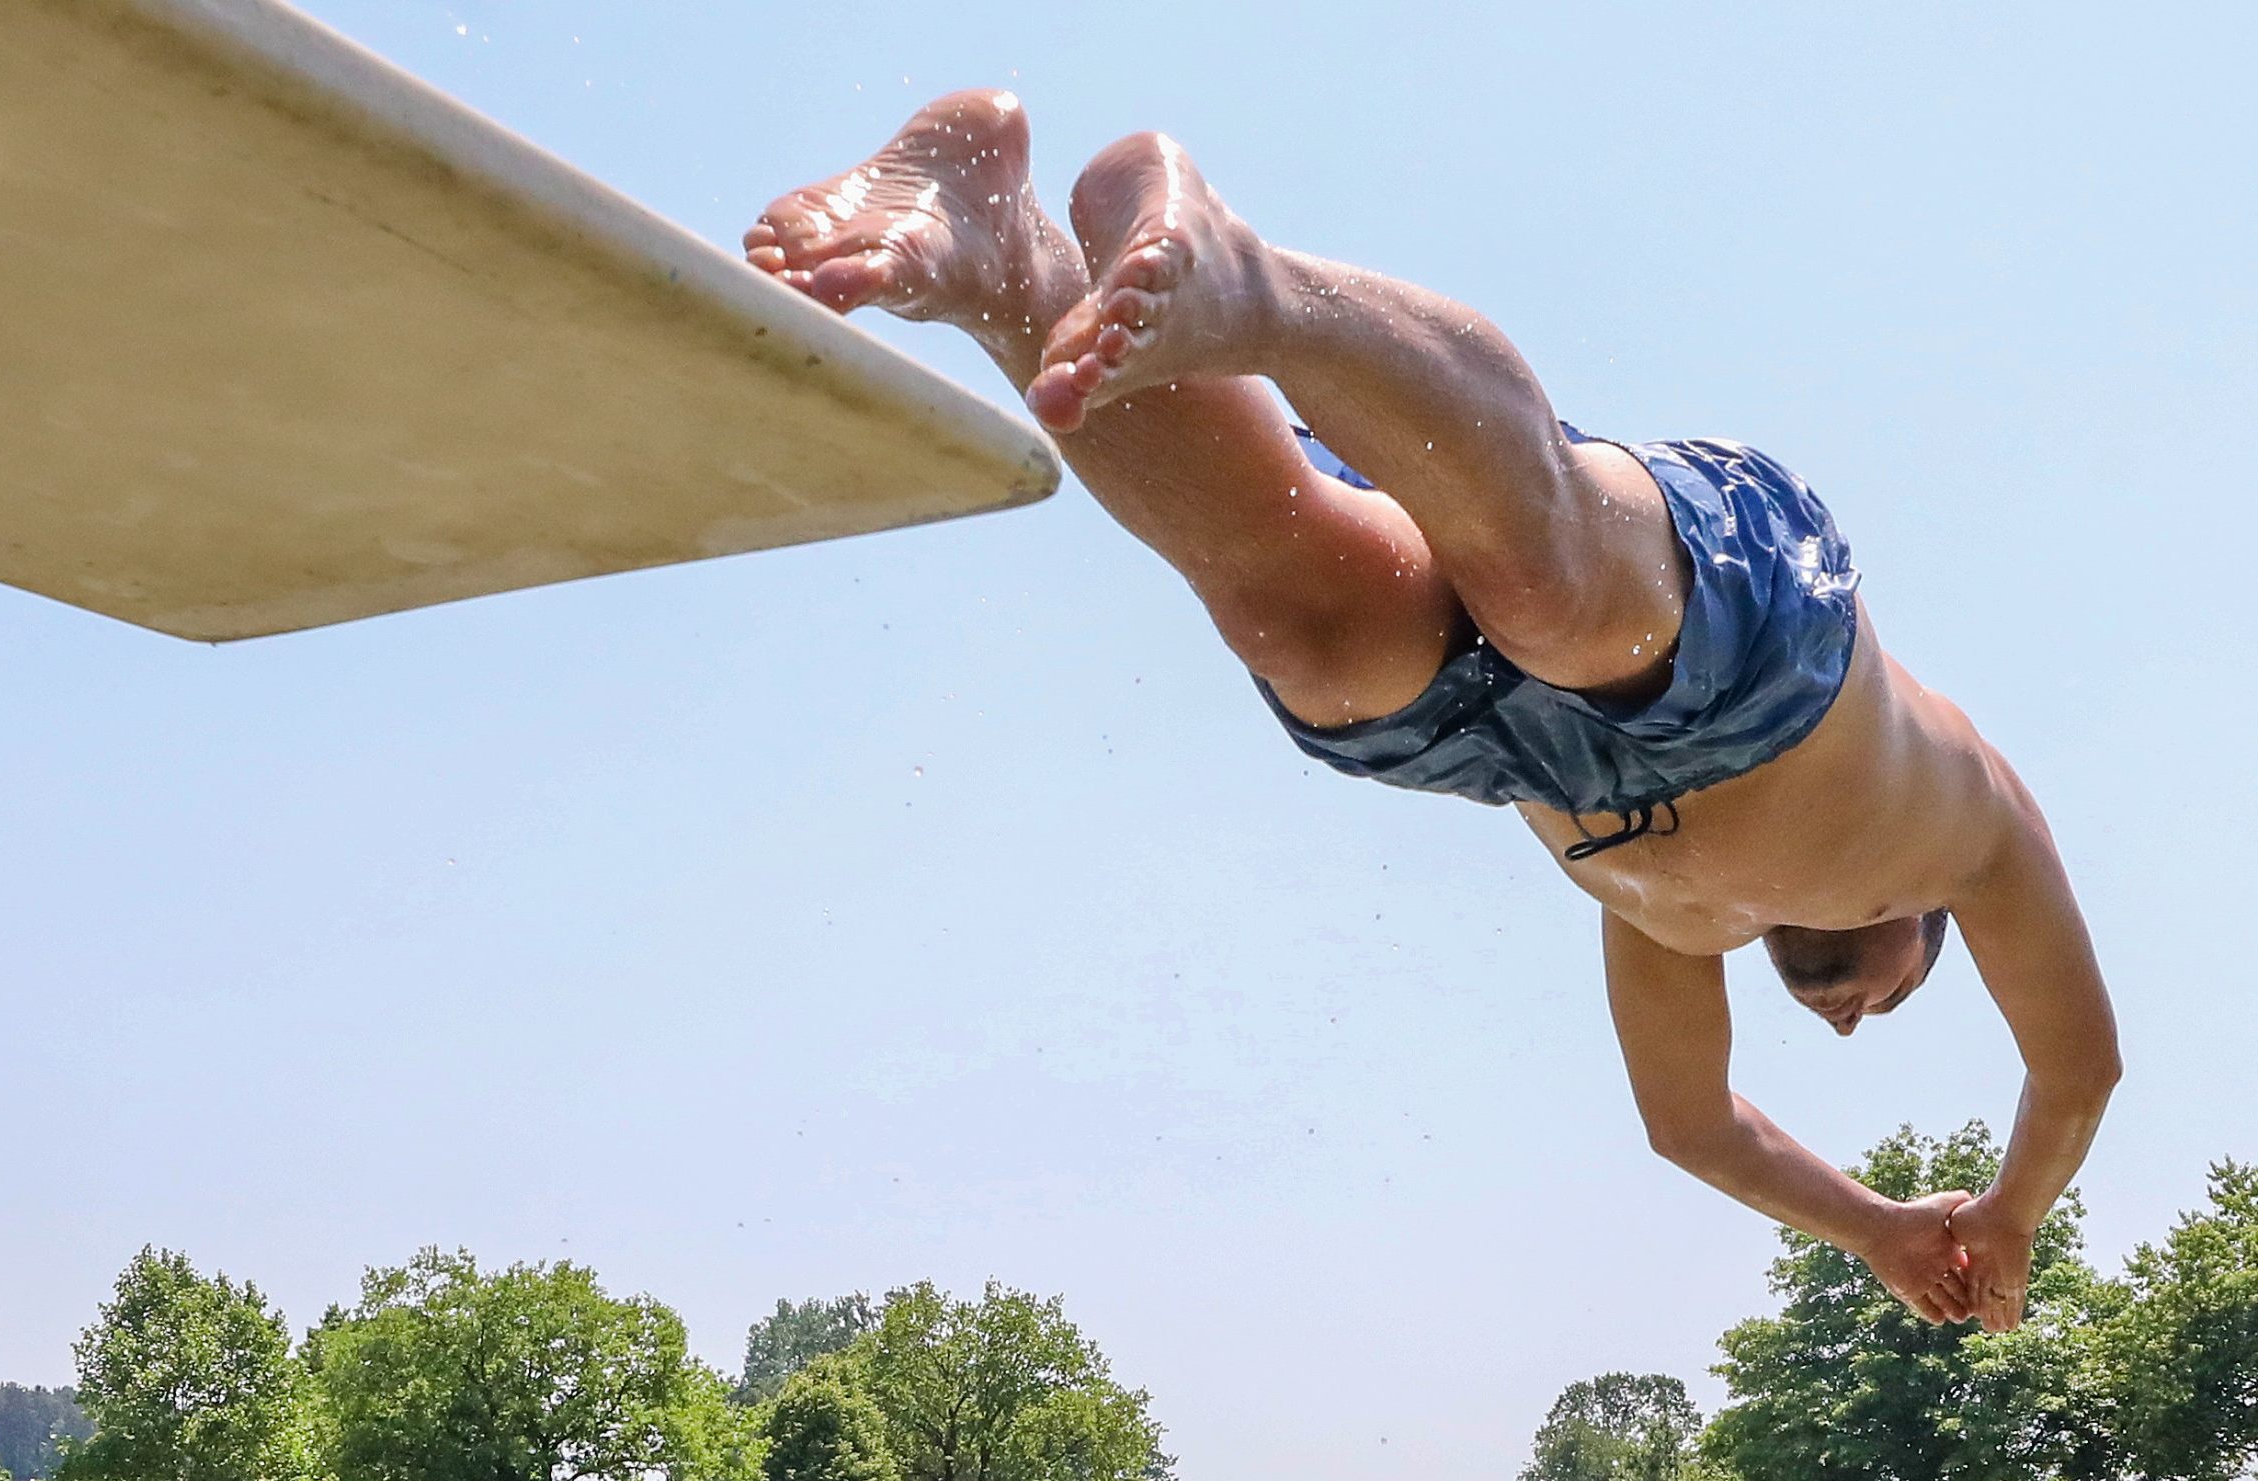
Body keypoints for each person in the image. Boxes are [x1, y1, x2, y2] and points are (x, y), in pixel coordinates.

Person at [747, 92, 2120, 1331]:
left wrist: (1879, 1228)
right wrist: (2009, 1213)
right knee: (1561, 599)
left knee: (1313, 633)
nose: (1847, 1018)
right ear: (1930, 930)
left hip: (1508, 743)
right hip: (1752, 631)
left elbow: (1693, 1126)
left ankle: (998, 254)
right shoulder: (1966, 830)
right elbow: (2079, 1066)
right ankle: (1258, 292)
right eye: (1897, 996)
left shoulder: (1672, 924)